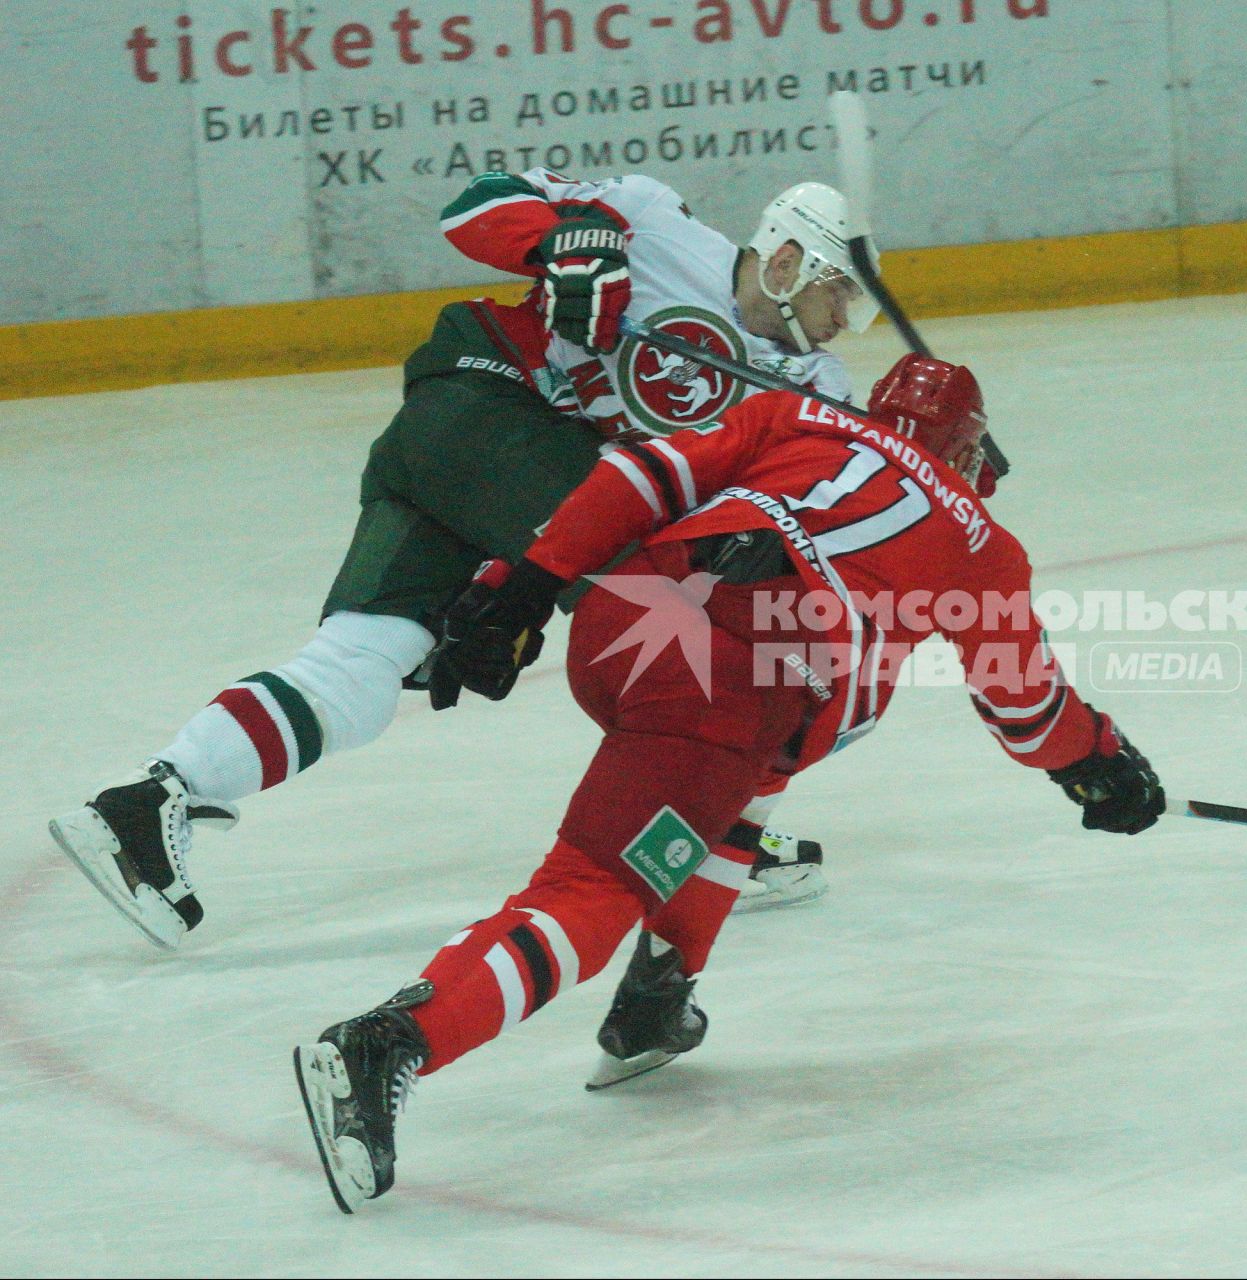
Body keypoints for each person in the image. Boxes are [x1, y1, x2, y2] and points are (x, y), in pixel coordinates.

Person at [291, 355, 1164, 1213]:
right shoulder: (980, 540)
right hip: (727, 677)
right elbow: (1027, 710)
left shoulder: (796, 417)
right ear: (969, 455)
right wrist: (1101, 765)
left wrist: (525, 584)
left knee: (740, 786)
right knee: (596, 886)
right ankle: (396, 1040)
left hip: (625, 614)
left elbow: (641, 471)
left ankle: (658, 998)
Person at [48, 167, 881, 948]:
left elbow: (804, 498)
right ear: (786, 260)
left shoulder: (820, 387)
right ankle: (705, 830)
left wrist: (918, 457)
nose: (844, 315)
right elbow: (477, 206)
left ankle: (151, 797)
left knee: (364, 667)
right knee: (699, 634)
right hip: (487, 402)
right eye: (838, 289)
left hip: (469, 462)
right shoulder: (655, 220)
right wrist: (562, 244)